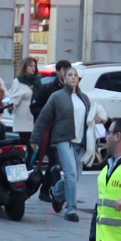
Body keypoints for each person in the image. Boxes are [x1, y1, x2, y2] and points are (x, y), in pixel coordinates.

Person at [33, 60, 93, 222]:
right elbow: (44, 118)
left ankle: (57, 193)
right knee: (70, 174)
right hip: (62, 138)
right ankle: (71, 210)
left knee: (75, 176)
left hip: (80, 141)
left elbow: (89, 120)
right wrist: (35, 138)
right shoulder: (57, 96)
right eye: (70, 75)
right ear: (64, 79)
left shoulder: (84, 98)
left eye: (75, 75)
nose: (73, 77)